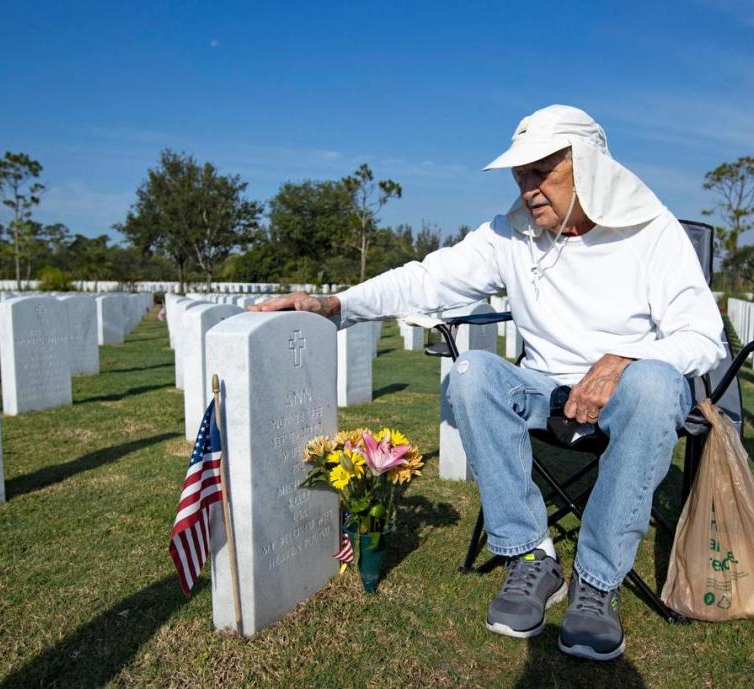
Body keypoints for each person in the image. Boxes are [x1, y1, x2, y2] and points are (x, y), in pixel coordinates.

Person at [251, 104, 725, 661]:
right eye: (520, 176)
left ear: (589, 166)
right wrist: (336, 305)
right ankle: (530, 556)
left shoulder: (653, 232)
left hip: (632, 393)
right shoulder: (511, 235)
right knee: (472, 373)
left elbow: (704, 339)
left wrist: (623, 359)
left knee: (651, 386)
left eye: (541, 173)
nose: (528, 190)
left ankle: (596, 583)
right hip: (546, 389)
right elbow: (428, 280)